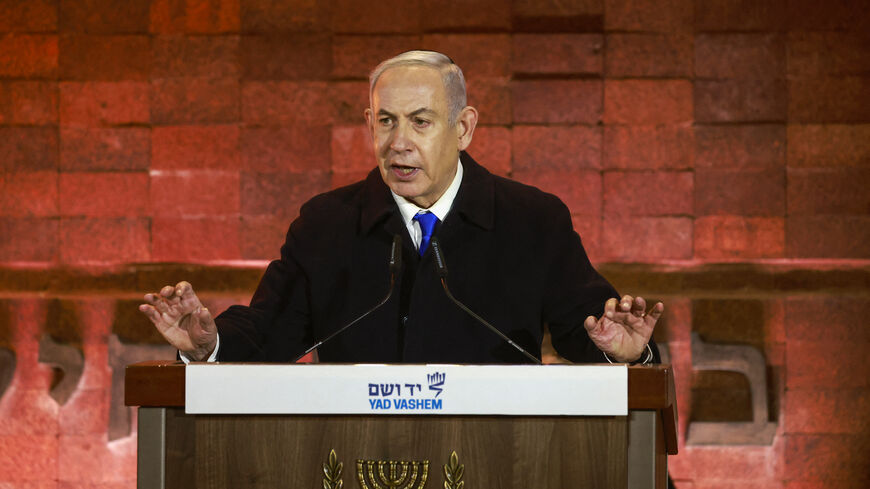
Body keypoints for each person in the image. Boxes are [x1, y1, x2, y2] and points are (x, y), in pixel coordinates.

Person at [139, 50, 664, 365]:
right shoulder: (326, 224)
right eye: (385, 121)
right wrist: (208, 346)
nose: (398, 142)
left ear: (463, 128)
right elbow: (270, 331)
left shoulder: (533, 220)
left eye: (420, 121)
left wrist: (626, 352)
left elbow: (590, 331)